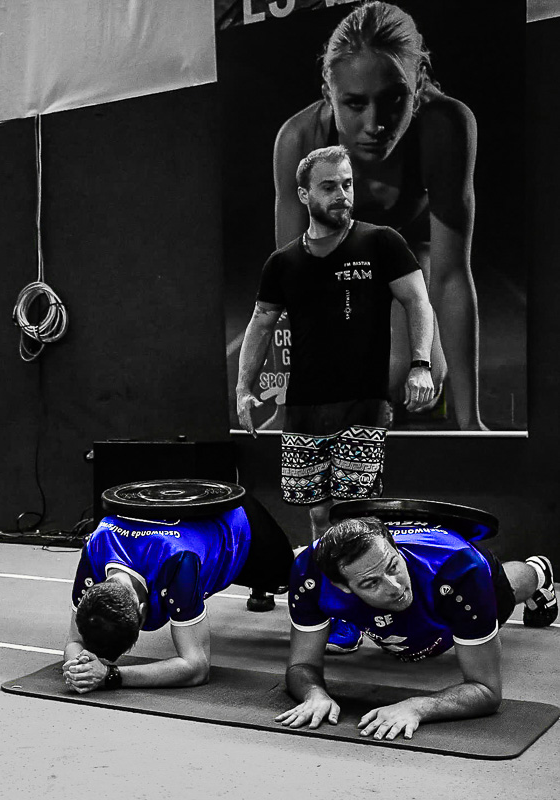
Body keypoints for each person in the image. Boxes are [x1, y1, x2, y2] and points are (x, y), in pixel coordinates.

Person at [237, 144, 436, 651]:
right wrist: (244, 387)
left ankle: (355, 615)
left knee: (351, 514)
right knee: (318, 515)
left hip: (364, 404)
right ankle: (336, 602)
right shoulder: (283, 263)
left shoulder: (383, 243)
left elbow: (418, 301)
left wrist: (419, 364)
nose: (342, 194)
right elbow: (261, 322)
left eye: (347, 183)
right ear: (305, 194)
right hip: (304, 408)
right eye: (330, 186)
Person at [273, 1, 482, 428]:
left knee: (412, 376)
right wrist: (295, 412)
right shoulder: (300, 140)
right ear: (329, 94)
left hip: (412, 254)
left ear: (418, 85)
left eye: (393, 99)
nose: (376, 124)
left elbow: (450, 277)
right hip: (340, 261)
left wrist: (472, 423)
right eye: (354, 103)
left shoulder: (444, 126)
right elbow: (295, 285)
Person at [276, 516, 556, 740]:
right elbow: (300, 666)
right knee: (406, 645)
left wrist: (418, 706)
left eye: (393, 566)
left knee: (508, 590)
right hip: (395, 612)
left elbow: (487, 691)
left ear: (396, 548)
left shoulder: (460, 570)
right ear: (341, 587)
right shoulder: (308, 575)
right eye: (371, 583)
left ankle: (538, 571)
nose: (395, 586)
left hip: (452, 586)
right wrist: (314, 693)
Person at [61, 495, 294, 693]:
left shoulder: (178, 562)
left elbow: (197, 667)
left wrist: (111, 676)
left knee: (290, 578)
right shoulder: (95, 548)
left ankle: (267, 583)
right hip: (190, 534)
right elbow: (74, 640)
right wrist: (78, 669)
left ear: (143, 611)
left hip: (242, 528)